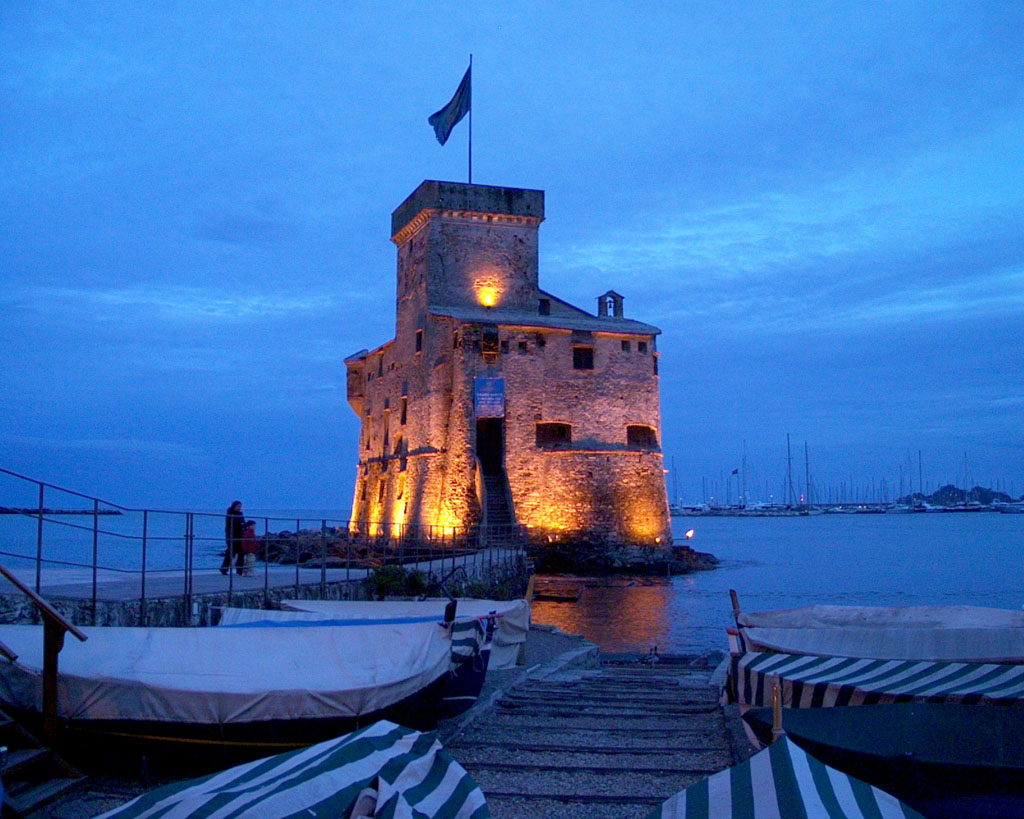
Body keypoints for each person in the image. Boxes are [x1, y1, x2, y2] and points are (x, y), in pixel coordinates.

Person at [221, 500, 245, 575]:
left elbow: (243, 523)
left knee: (241, 553)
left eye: (240, 506)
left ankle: (239, 570)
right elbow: (230, 526)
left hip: (240, 536)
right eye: (238, 506)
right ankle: (224, 569)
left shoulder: (240, 514)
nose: (239, 508)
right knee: (230, 553)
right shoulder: (230, 514)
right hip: (232, 536)